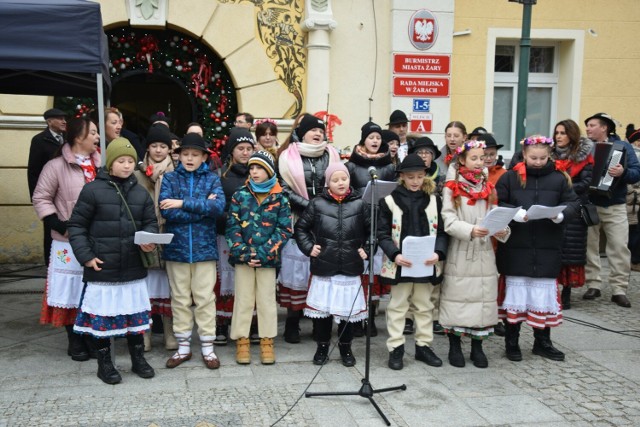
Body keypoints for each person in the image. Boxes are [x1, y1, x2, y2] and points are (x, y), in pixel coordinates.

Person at [68, 137, 157, 384]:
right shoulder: (92, 190)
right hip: (103, 267)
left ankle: (138, 359)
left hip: (132, 266)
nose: (127, 166)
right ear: (110, 162)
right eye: (121, 160)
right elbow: (76, 226)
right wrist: (86, 257)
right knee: (103, 319)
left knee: (133, 318)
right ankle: (104, 364)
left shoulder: (140, 192)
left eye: (130, 161)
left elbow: (150, 221)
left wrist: (149, 240)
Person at [496, 135, 580, 362]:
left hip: (547, 245)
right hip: (516, 245)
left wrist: (560, 215)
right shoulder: (510, 178)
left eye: (543, 157)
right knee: (516, 295)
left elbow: (574, 204)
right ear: (524, 154)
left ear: (550, 155)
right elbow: (498, 201)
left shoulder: (559, 178)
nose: (538, 161)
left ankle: (542, 342)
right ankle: (511, 342)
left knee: (541, 297)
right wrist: (515, 213)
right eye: (533, 157)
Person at [32, 117, 100, 361]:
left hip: (97, 238)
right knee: (71, 290)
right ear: (78, 136)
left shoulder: (100, 164)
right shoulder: (56, 166)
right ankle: (75, 339)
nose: (97, 137)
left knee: (93, 288)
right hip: (67, 240)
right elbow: (41, 197)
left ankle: (93, 336)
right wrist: (57, 223)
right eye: (93, 132)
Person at [440, 140, 510, 368]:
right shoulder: (452, 187)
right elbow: (448, 221)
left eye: (483, 158)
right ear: (462, 160)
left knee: (482, 299)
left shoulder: (487, 186)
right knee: (458, 299)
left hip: (484, 252)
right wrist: (470, 230)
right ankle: (454, 345)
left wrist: (501, 229)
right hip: (461, 250)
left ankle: (478, 347)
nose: (480, 162)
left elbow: (495, 213)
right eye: (474, 158)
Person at [159, 133, 226, 370]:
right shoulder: (169, 179)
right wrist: (200, 206)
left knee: (205, 298)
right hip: (176, 249)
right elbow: (167, 212)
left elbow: (218, 207)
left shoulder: (211, 179)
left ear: (204, 157)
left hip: (204, 248)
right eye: (185, 154)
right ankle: (183, 346)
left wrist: (182, 202)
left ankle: (208, 347)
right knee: (179, 298)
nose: (189, 158)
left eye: (195, 154)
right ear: (178, 156)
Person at [378, 154, 449, 370]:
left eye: (419, 176)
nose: (416, 181)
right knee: (398, 306)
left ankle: (423, 345)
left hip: (426, 263)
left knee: (424, 305)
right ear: (402, 178)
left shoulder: (435, 201)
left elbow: (443, 234)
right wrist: (394, 254)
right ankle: (396, 347)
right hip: (401, 264)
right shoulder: (388, 202)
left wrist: (438, 253)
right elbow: (382, 233)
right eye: (411, 177)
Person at [295, 162, 370, 366]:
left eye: (343, 179)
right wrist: (309, 247)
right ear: (328, 183)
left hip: (350, 266)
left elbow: (373, 231)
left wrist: (368, 249)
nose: (340, 183)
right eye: (335, 180)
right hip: (324, 267)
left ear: (349, 180)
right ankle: (322, 347)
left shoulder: (360, 204)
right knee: (323, 314)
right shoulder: (317, 204)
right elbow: (301, 228)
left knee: (346, 313)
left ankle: (346, 348)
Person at [276, 113, 342, 343]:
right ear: (302, 132)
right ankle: (292, 323)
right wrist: (310, 206)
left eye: (321, 131)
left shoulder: (332, 154)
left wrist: (323, 206)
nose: (317, 134)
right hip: (299, 219)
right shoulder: (287, 156)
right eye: (313, 130)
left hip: (327, 219)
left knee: (321, 271)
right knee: (298, 273)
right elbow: (283, 187)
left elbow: (340, 180)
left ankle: (318, 323)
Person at [226, 150, 292, 365]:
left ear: (269, 171)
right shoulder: (240, 195)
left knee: (266, 301)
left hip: (268, 259)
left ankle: (266, 341)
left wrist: (263, 253)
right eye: (252, 168)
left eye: (259, 168)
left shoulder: (280, 197)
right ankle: (242, 341)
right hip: (243, 258)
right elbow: (232, 227)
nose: (254, 172)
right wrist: (245, 252)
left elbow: (284, 229)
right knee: (243, 300)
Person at [583, 113, 640, 308]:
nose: (588, 129)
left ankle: (619, 289)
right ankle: (593, 284)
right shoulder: (585, 148)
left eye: (591, 125)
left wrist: (622, 173)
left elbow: (636, 172)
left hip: (615, 204)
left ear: (604, 127)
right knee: (590, 246)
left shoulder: (623, 147)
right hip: (590, 203)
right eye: (587, 126)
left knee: (619, 247)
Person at [345, 121, 395, 337]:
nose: (375, 141)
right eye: (370, 137)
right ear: (363, 140)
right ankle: (356, 316)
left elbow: (395, 191)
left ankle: (372, 316)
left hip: (381, 218)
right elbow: (346, 191)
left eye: (377, 138)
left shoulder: (389, 165)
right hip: (358, 220)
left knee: (375, 268)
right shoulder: (351, 165)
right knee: (360, 268)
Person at [133, 125, 177, 351]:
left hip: (168, 231)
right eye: (154, 146)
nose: (158, 150)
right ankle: (146, 333)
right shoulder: (137, 172)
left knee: (168, 286)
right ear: (147, 147)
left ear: (169, 149)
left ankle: (169, 332)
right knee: (146, 288)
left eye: (163, 146)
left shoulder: (175, 171)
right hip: (146, 233)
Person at [214, 127, 255, 346]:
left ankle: (252, 323)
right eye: (241, 148)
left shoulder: (259, 173)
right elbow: (217, 207)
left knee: (251, 281)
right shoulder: (221, 175)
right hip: (227, 235)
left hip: (253, 238)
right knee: (226, 282)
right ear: (232, 150)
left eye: (249, 148)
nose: (245, 152)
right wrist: (234, 220)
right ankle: (222, 322)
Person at [551, 120, 594, 309]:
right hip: (553, 207)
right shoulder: (548, 155)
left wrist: (562, 189)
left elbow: (585, 184)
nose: (558, 136)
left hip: (575, 209)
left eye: (563, 133)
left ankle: (566, 293)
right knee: (553, 250)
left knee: (571, 253)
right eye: (556, 133)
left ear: (571, 135)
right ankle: (552, 291)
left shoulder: (583, 157)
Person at [28, 108, 68, 266]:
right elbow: (33, 171)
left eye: (64, 118)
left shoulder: (67, 139)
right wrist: (36, 198)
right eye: (59, 118)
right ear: (49, 121)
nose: (64, 121)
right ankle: (50, 263)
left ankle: (65, 263)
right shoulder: (39, 140)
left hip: (64, 192)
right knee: (50, 229)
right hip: (48, 193)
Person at [626, 128, 640, 271]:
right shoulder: (635, 155)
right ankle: (634, 261)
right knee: (634, 231)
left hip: (634, 199)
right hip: (633, 200)